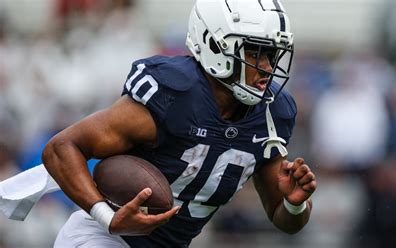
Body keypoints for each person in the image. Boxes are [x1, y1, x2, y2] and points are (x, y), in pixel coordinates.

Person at [42, 0, 317, 247]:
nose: (268, 67)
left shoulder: (272, 114)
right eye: (255, 52)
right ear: (214, 44)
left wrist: (295, 204)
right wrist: (107, 218)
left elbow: (282, 218)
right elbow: (61, 148)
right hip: (102, 238)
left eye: (272, 55)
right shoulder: (175, 95)